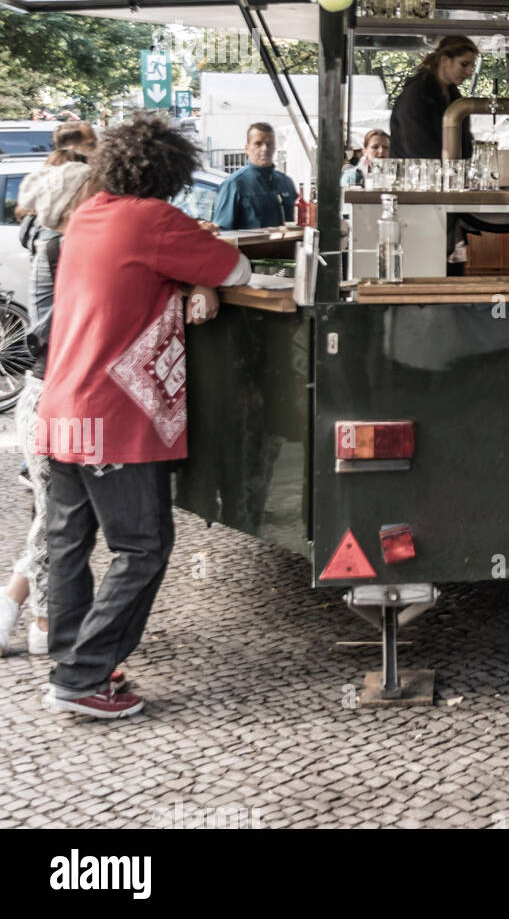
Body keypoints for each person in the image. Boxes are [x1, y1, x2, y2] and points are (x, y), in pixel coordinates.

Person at [38, 114, 250, 719]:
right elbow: (234, 270)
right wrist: (195, 279)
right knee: (143, 546)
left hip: (62, 408)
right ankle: (82, 677)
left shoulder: (90, 215)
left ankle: (72, 664)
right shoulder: (154, 219)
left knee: (69, 545)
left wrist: (182, 283)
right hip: (115, 415)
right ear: (170, 171)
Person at [0, 131, 96, 659]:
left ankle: (13, 605)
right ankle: (43, 620)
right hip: (52, 385)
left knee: (57, 513)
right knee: (57, 516)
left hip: (44, 385)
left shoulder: (48, 236)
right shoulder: (63, 243)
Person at [389, 35, 479, 161]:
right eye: (464, 64)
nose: (469, 72)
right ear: (444, 61)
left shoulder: (455, 97)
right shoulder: (416, 93)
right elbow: (417, 147)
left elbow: (465, 142)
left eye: (471, 66)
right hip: (415, 175)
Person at [213, 123, 296, 230]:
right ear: (247, 149)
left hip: (287, 245)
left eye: (269, 144)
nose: (265, 149)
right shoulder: (234, 185)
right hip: (250, 246)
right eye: (258, 144)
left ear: (275, 148)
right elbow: (222, 231)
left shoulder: (286, 183)